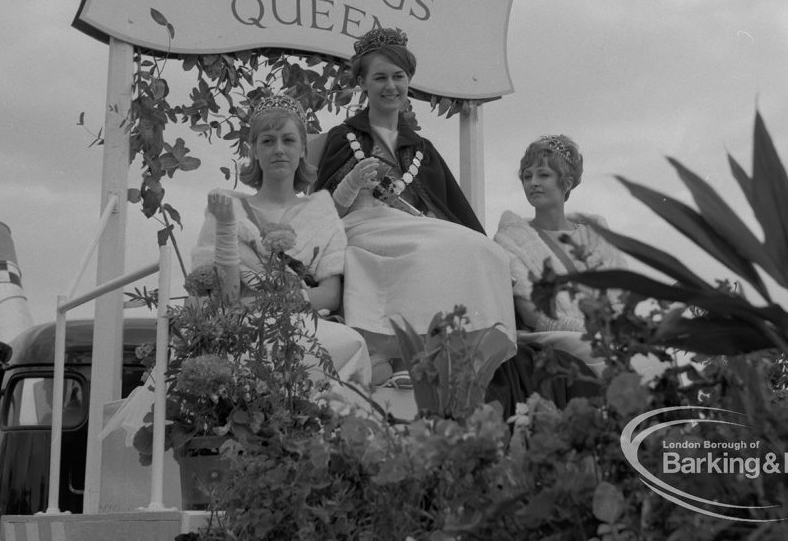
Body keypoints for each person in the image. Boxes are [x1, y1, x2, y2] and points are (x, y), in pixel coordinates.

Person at [313, 28, 517, 384]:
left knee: (484, 250)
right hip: (359, 227)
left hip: (412, 227)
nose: (390, 86)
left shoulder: (420, 147)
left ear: (408, 81)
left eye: (398, 76)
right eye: (380, 77)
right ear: (362, 82)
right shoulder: (344, 137)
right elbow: (323, 216)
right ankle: (401, 350)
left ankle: (452, 352)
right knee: (425, 253)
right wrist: (353, 182)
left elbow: (448, 208)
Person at [191, 93, 373, 387]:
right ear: (254, 150)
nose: (278, 149)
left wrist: (272, 302)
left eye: (288, 140)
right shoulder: (226, 208)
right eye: (267, 141)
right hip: (240, 329)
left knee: (351, 343)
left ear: (302, 149)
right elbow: (225, 298)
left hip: (303, 327)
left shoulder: (321, 211)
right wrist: (226, 226)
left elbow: (330, 295)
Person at [494, 135, 627, 374]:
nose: (532, 182)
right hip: (551, 339)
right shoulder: (510, 240)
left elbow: (619, 299)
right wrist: (592, 334)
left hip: (606, 337)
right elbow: (533, 314)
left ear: (566, 182)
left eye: (543, 175)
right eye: (527, 176)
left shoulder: (596, 235)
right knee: (592, 351)